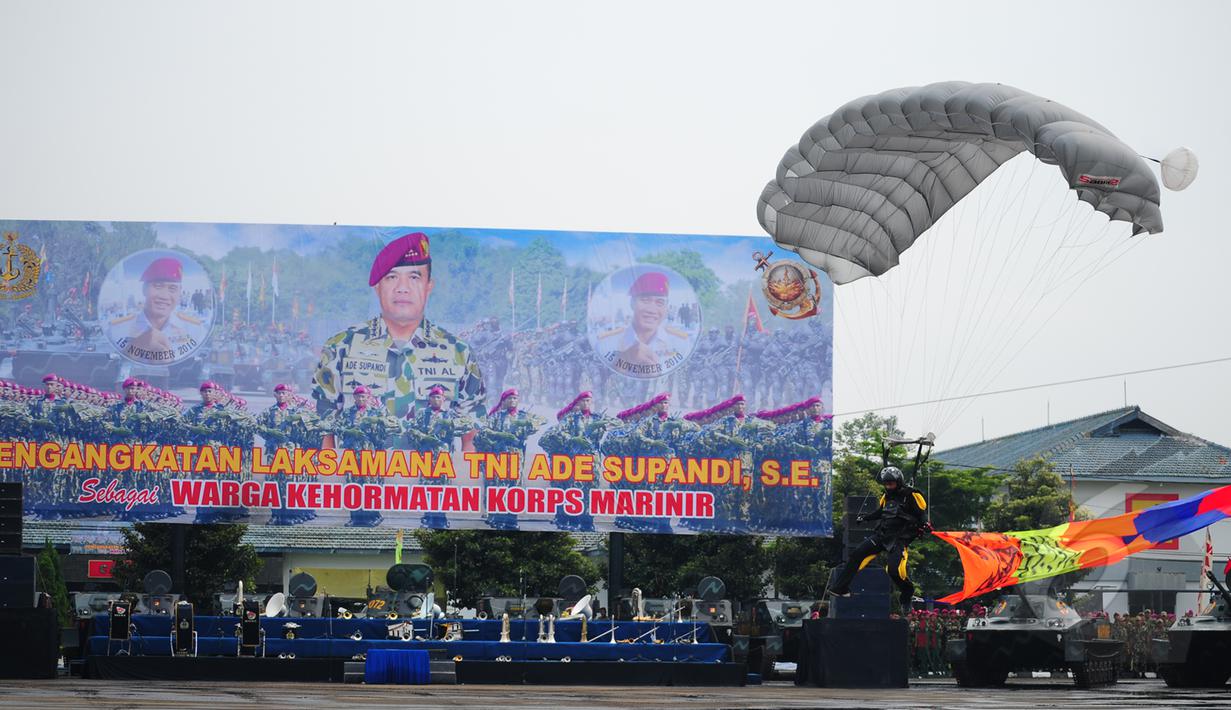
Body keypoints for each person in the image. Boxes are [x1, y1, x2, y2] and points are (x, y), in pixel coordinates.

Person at [311, 232, 485, 450]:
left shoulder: (458, 352)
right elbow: (322, 430)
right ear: (377, 287)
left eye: (414, 277)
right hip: (362, 480)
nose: (402, 287)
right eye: (392, 277)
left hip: (431, 480)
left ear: (429, 285)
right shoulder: (341, 348)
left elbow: (472, 439)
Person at [828, 466, 930, 607]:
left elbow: (922, 513)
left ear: (898, 481)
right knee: (857, 554)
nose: (888, 486)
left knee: (894, 571)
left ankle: (907, 593)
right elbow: (881, 512)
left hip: (898, 539)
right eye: (886, 484)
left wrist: (925, 524)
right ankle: (840, 588)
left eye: (891, 483)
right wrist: (866, 518)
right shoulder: (886, 497)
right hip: (882, 536)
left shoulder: (912, 495)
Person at [109, 256, 205, 364]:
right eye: (158, 286)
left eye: (172, 288)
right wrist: (133, 348)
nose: (164, 296)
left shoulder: (195, 331)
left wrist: (171, 365)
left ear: (179, 293)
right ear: (144, 289)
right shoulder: (118, 330)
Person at [595, 270, 693, 377]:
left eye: (659, 302)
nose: (652, 310)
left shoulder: (681, 344)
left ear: (666, 307)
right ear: (632, 303)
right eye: (645, 300)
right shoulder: (607, 344)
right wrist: (623, 360)